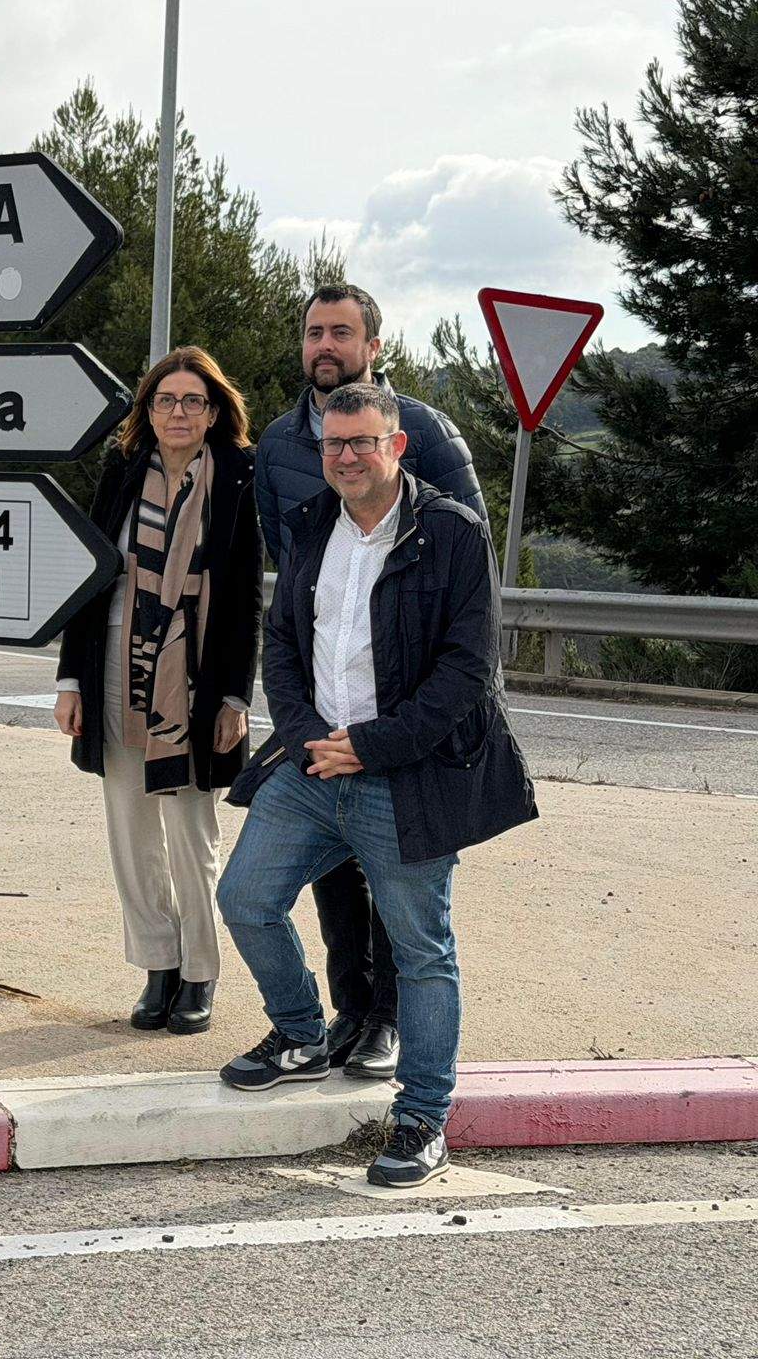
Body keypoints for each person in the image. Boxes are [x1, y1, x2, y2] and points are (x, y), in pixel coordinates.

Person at [216, 382, 536, 1187]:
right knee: (246, 897)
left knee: (423, 953)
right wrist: (303, 739)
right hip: (313, 765)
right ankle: (299, 1032)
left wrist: (375, 747)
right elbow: (282, 644)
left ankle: (424, 1116)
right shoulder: (308, 527)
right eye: (334, 444)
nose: (347, 456)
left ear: (397, 446)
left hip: (405, 777)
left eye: (363, 442)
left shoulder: (454, 535)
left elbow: (468, 669)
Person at [253, 283, 488, 1082]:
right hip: (319, 729)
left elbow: (466, 606)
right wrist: (304, 733)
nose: (326, 344)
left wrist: (390, 737)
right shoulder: (285, 444)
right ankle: (335, 1020)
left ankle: (397, 1047)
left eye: (341, 333)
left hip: (403, 732)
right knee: (316, 889)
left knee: (413, 923)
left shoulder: (427, 434)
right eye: (314, 332)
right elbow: (284, 615)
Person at [54, 347, 261, 1036]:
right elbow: (87, 577)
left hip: (197, 674)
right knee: (130, 830)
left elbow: (243, 600)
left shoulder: (237, 476)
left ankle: (200, 973)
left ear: (214, 412)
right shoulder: (120, 472)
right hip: (114, 663)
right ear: (147, 410)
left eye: (192, 401)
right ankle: (158, 966)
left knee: (189, 835)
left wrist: (236, 697)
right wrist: (71, 679)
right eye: (166, 400)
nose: (178, 412)